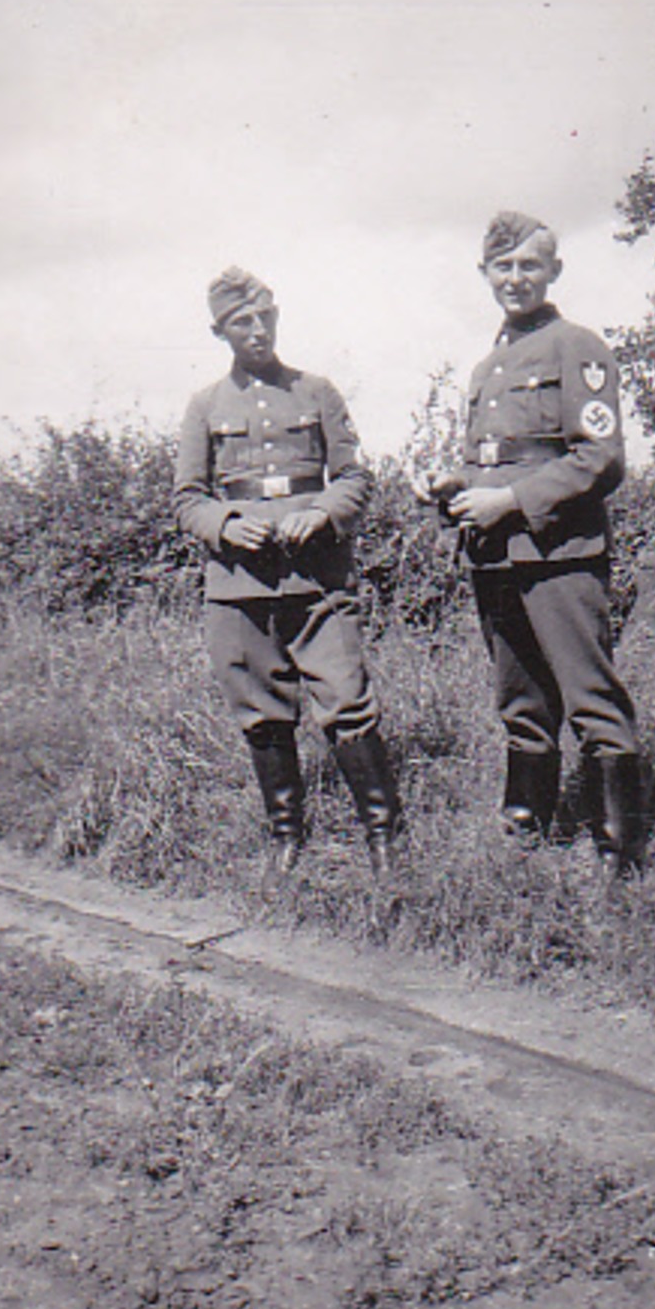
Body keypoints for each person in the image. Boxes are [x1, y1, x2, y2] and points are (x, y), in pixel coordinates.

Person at [174, 266, 400, 897]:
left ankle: (384, 838)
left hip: (316, 583)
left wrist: (321, 512)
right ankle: (286, 840)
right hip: (239, 588)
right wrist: (224, 524)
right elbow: (187, 498)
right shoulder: (205, 406)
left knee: (347, 704)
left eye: (265, 317)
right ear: (219, 331)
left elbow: (355, 479)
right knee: (264, 717)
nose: (257, 330)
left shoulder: (317, 393)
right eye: (241, 322)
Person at [428, 211, 643, 873]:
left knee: (589, 696)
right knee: (520, 701)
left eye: (528, 265)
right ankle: (526, 835)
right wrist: (457, 483)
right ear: (484, 274)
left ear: (553, 270)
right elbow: (504, 458)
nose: (514, 278)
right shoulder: (486, 366)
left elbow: (599, 458)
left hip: (559, 554)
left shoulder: (575, 346)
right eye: (502, 266)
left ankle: (618, 855)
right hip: (495, 555)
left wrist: (511, 501)